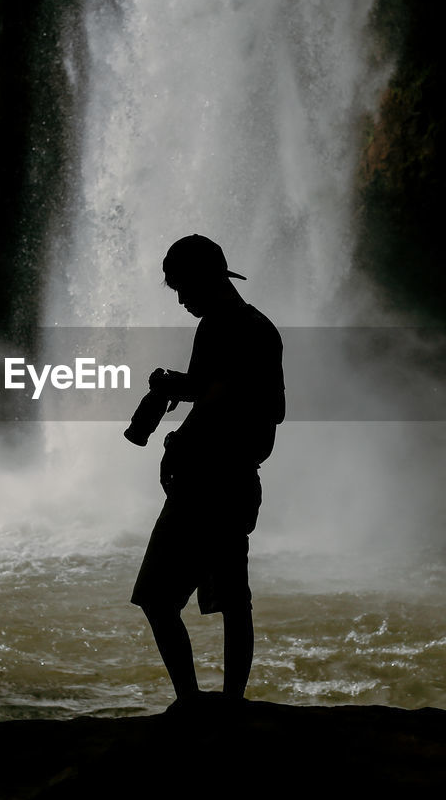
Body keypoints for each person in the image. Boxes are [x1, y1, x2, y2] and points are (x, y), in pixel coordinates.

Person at [130, 234, 285, 709]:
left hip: (206, 485)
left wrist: (187, 410)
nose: (180, 299)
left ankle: (192, 703)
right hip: (235, 482)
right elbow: (267, 405)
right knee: (234, 600)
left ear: (204, 280)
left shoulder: (221, 326)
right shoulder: (259, 325)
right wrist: (191, 387)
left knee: (158, 598)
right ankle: (231, 703)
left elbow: (243, 400)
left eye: (182, 288)